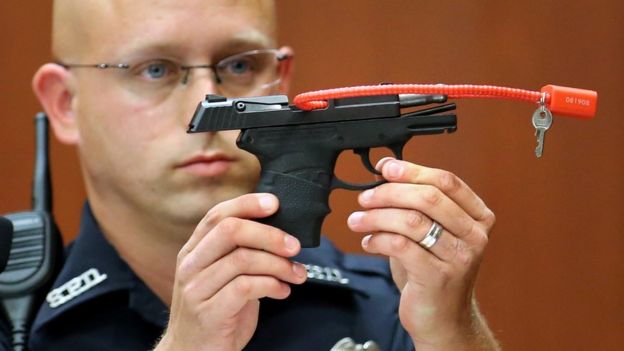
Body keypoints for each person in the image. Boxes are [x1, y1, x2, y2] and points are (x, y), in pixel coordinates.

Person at [3, 0, 500, 350]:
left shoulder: (394, 300)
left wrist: (454, 337)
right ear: (65, 103)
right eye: (155, 69)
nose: (206, 99)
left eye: (240, 64)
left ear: (280, 81)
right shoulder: (12, 325)